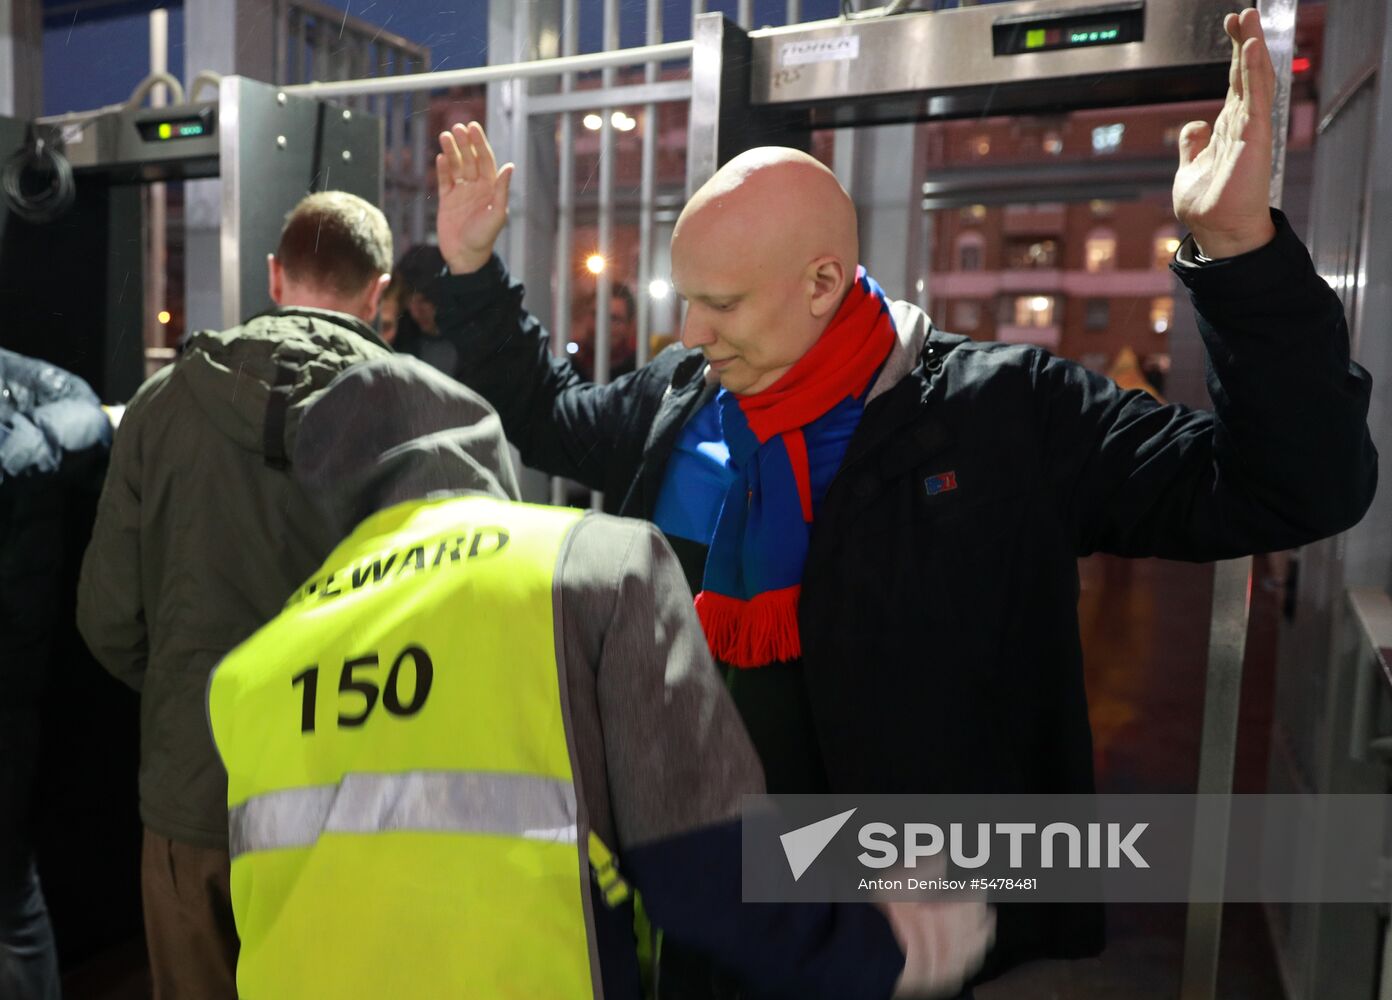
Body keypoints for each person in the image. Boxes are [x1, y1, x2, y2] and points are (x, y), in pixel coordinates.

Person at [431, 10, 1376, 991]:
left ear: (822, 282)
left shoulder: (1002, 415)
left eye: (722, 302)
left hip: (905, 926)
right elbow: (540, 416)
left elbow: (1290, 488)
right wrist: (472, 274)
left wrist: (1242, 257)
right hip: (706, 904)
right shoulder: (681, 403)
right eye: (686, 297)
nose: (691, 329)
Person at [206, 352, 995, 999]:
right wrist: (880, 946)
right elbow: (701, 861)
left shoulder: (254, 665)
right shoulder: (591, 565)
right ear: (481, 449)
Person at [76, 190, 394, 1000]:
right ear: (379, 292)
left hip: (197, 794)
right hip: (357, 797)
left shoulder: (159, 407)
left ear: (274, 275)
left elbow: (108, 619)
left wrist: (199, 692)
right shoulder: (414, 412)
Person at [1, 349, 112, 1000]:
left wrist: (30, 440)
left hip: (9, 692)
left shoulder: (19, 387)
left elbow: (87, 414)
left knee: (12, 897)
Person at [390, 243, 463, 376]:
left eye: (424, 301)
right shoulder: (399, 336)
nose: (415, 312)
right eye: (408, 302)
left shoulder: (472, 339)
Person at [571, 283, 639, 380]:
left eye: (614, 319)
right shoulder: (570, 368)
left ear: (629, 326)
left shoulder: (637, 372)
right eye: (596, 315)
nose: (602, 325)